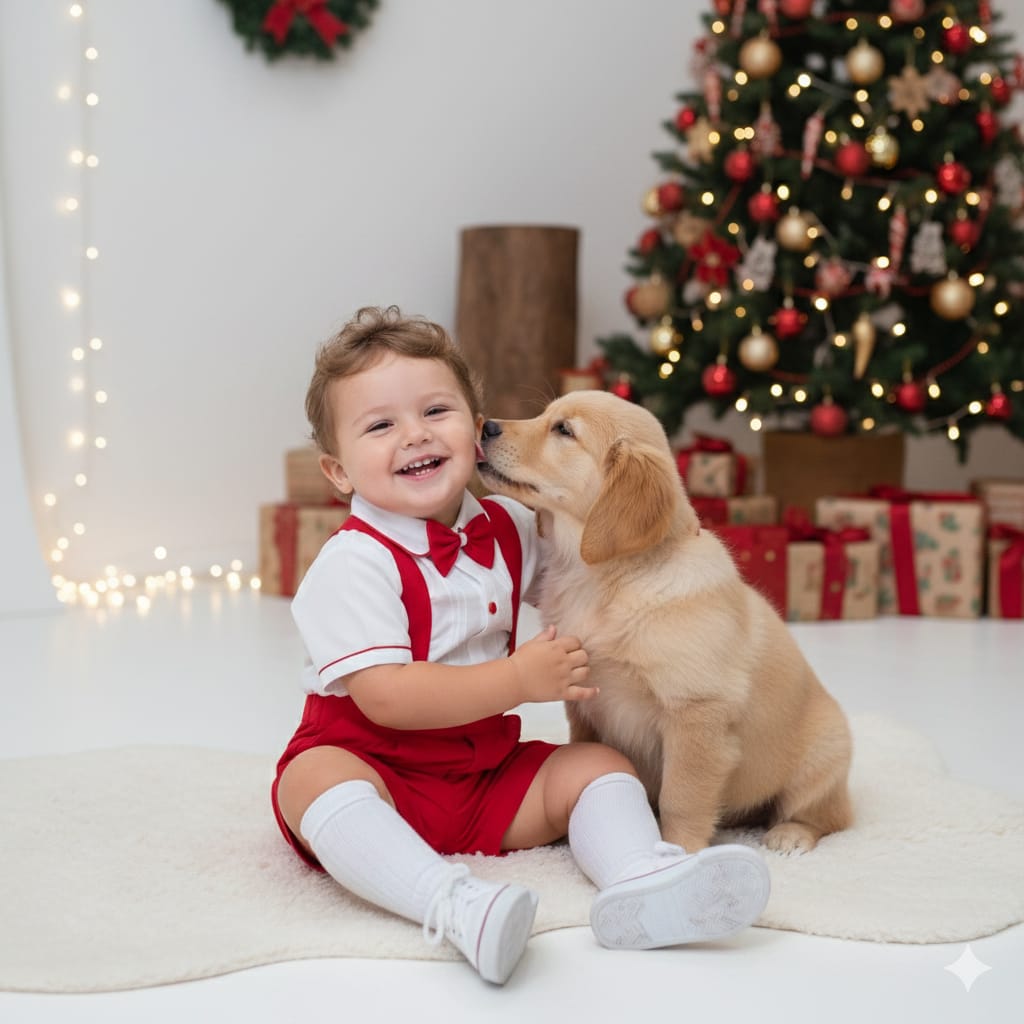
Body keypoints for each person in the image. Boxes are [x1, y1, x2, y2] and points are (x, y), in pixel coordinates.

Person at [272, 305, 770, 985]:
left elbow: (601, 552)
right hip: (378, 766)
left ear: (476, 428)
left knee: (596, 764)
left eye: (436, 411)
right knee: (314, 783)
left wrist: (680, 562)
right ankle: (452, 904)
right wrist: (516, 681)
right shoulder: (351, 565)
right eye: (381, 425)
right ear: (338, 472)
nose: (414, 435)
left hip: (484, 776)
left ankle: (644, 877)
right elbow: (386, 697)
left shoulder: (509, 525)